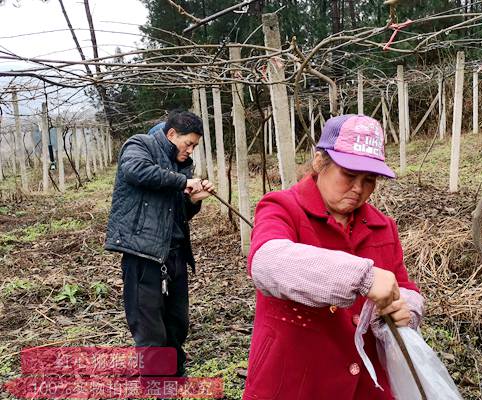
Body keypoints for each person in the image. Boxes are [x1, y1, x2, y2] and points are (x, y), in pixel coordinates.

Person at [243, 114, 425, 399]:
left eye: (369, 180)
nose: (358, 188)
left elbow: (403, 285)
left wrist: (407, 309)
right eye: (349, 175)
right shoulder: (282, 208)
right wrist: (362, 278)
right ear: (319, 161)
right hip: (296, 381)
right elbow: (267, 262)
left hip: (366, 385)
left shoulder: (381, 226)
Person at [105, 110, 214, 377]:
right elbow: (135, 171)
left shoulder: (181, 163)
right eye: (188, 143)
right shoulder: (139, 145)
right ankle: (156, 382)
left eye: (195, 146)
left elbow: (180, 213)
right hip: (143, 252)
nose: (190, 150)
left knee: (177, 321)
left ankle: (175, 373)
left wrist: (193, 199)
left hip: (174, 253)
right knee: (148, 323)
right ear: (171, 134)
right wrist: (183, 182)